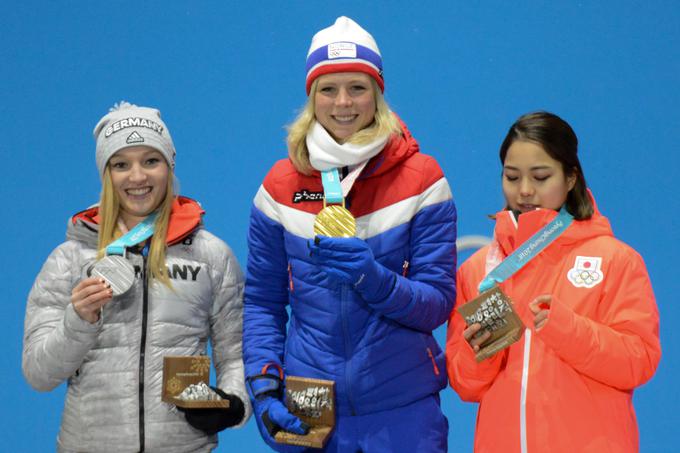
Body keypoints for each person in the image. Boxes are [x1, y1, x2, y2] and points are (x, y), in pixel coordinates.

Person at [243, 16, 456, 453]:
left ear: (377, 93)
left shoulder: (423, 179)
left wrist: (372, 279)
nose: (343, 103)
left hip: (402, 407)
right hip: (310, 409)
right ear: (311, 97)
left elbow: (435, 304)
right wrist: (264, 389)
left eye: (357, 87)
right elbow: (263, 302)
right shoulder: (280, 186)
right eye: (328, 89)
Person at [22, 102, 251, 452]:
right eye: (121, 164)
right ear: (106, 174)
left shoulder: (211, 256)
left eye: (150, 160)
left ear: (169, 165)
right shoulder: (69, 259)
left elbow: (236, 356)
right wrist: (78, 321)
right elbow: (39, 374)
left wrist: (232, 404)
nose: (137, 177)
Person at [446, 111, 661, 452]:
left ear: (571, 177)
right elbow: (464, 384)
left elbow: (638, 360)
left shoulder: (615, 260)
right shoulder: (479, 271)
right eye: (512, 177)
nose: (525, 191)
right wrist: (480, 355)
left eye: (541, 176)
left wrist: (566, 328)